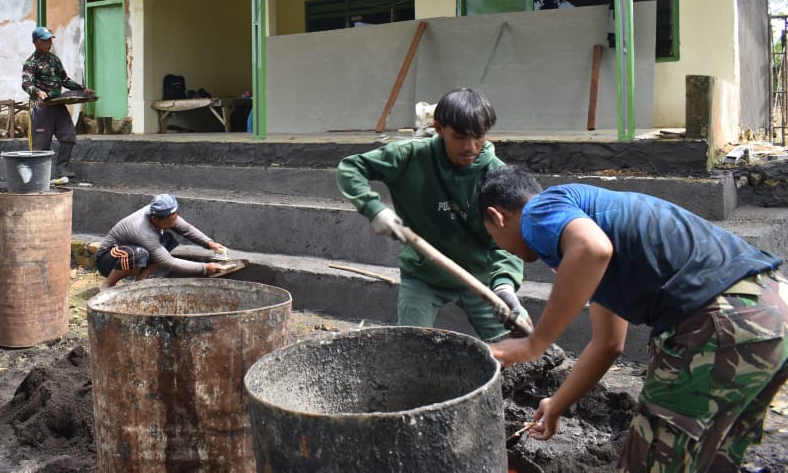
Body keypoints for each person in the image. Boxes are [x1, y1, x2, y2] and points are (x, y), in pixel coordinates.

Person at [478, 165, 788, 471]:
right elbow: (608, 343)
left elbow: (591, 248)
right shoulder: (593, 221)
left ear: (497, 217)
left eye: (494, 238)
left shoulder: (539, 210)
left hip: (721, 320)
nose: (504, 250)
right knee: (712, 461)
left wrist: (534, 344)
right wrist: (556, 405)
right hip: (772, 307)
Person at [336, 87, 526, 341]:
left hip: (482, 279)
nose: (471, 147)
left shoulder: (497, 175)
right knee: (411, 346)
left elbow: (511, 240)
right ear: (438, 128)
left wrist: (505, 284)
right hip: (424, 277)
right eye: (459, 137)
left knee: (518, 347)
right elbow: (351, 167)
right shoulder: (410, 156)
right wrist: (374, 209)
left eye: (478, 136)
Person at [95, 194, 228, 287]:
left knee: (168, 240)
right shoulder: (143, 230)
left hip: (130, 250)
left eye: (173, 221)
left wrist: (209, 243)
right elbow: (168, 262)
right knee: (139, 254)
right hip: (107, 259)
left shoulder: (163, 213)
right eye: (167, 224)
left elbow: (186, 229)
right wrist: (204, 268)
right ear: (154, 219)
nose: (172, 225)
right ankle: (108, 285)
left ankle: (140, 281)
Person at [21, 25, 94, 178]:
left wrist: (82, 89)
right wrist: (38, 92)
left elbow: (65, 80)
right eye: (44, 41)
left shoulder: (55, 60)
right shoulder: (31, 62)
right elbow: (26, 83)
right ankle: (38, 176)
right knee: (41, 144)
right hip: (41, 107)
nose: (48, 44)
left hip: (58, 104)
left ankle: (62, 168)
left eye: (49, 40)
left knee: (69, 135)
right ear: (35, 42)